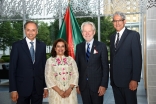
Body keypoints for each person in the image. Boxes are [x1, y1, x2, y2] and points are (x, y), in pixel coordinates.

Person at [9, 21, 48, 104]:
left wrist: (45, 87)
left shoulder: (42, 46)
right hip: (21, 89)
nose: (31, 33)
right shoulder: (17, 46)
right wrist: (13, 89)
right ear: (24, 31)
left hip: (38, 88)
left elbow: (44, 67)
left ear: (37, 31)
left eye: (33, 30)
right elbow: (12, 69)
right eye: (28, 30)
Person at [110, 11, 142, 104]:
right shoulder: (112, 37)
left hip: (128, 82)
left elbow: (137, 59)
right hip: (115, 82)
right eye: (115, 21)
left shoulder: (133, 35)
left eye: (119, 20)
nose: (117, 23)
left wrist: (135, 79)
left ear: (125, 21)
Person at [76, 21, 109, 104]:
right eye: (84, 31)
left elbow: (105, 67)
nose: (87, 33)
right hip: (83, 86)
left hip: (97, 86)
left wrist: (104, 85)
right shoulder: (79, 47)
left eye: (89, 31)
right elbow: (77, 67)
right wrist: (77, 84)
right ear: (82, 33)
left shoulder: (101, 46)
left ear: (94, 32)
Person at [45, 38, 79, 104]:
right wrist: (59, 91)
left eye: (62, 46)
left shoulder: (71, 60)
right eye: (58, 46)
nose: (60, 48)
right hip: (56, 92)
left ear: (65, 48)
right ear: (55, 48)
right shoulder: (50, 61)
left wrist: (70, 89)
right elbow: (48, 78)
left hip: (70, 92)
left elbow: (76, 75)